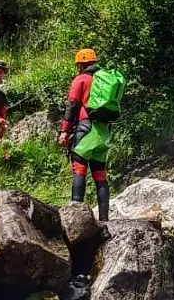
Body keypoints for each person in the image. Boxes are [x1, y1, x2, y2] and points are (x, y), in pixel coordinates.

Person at [58, 48, 110, 221]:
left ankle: (76, 218)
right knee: (100, 175)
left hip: (85, 127)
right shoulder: (105, 80)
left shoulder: (81, 79)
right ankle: (104, 220)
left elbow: (72, 105)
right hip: (103, 131)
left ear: (80, 65)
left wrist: (65, 130)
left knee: (79, 171)